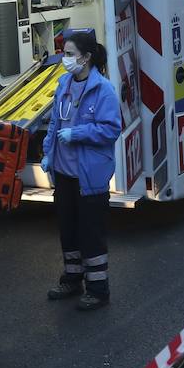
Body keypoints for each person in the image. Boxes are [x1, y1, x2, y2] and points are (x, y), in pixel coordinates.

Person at [40, 31, 122, 310]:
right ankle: (72, 279)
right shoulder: (64, 83)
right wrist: (47, 152)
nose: (65, 59)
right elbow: (54, 124)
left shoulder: (103, 90)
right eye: (64, 53)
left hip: (89, 176)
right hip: (64, 173)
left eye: (69, 54)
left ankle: (98, 288)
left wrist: (78, 133)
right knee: (69, 230)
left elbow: (111, 129)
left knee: (91, 233)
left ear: (86, 58)